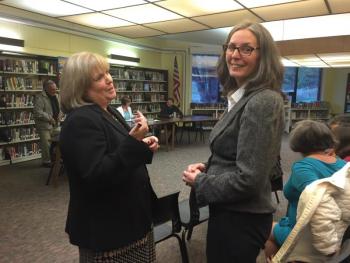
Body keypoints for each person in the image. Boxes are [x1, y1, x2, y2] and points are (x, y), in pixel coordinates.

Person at [182, 21, 285, 263]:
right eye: (230, 47)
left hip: (241, 218)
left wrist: (201, 181)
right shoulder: (242, 98)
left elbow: (249, 179)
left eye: (246, 49)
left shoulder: (261, 101)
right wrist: (210, 168)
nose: (235, 55)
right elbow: (242, 156)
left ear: (264, 56)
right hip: (233, 212)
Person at [59, 52, 159, 263]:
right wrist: (133, 143)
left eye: (108, 72)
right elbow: (96, 174)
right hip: (108, 230)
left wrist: (142, 146)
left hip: (130, 220)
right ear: (81, 87)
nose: (109, 79)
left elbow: (120, 151)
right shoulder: (80, 121)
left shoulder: (108, 111)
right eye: (99, 77)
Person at [265, 120, 346, 259]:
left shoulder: (303, 168)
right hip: (335, 229)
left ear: (298, 143)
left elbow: (317, 199)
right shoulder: (343, 164)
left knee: (264, 231)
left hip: (305, 233)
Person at [33, 79, 60, 167]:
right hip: (44, 126)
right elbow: (38, 112)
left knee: (56, 142)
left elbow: (60, 107)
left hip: (55, 124)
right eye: (52, 89)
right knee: (46, 144)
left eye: (55, 89)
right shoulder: (40, 97)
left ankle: (54, 159)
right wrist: (49, 118)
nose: (55, 91)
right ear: (46, 89)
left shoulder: (56, 96)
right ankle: (46, 162)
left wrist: (61, 114)